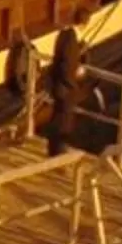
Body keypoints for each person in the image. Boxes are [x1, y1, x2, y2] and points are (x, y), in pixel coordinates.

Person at [46, 28, 90, 156]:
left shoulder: (64, 34)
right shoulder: (71, 38)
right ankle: (58, 153)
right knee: (64, 122)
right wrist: (74, 80)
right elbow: (67, 65)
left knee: (60, 119)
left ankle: (55, 150)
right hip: (66, 88)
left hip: (59, 86)